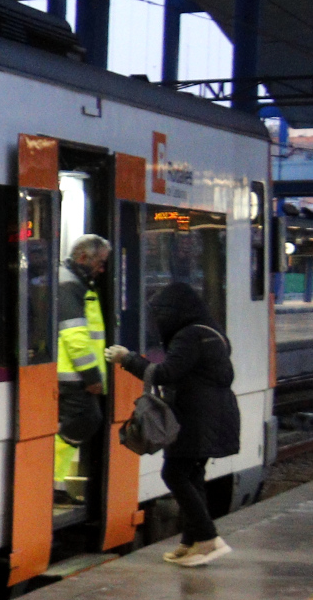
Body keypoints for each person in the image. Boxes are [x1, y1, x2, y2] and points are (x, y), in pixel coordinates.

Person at [109, 280, 241, 566]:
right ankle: (191, 542)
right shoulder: (211, 331)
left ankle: (208, 539)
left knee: (174, 474)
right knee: (193, 476)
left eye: (161, 314)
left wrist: (127, 359)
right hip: (214, 415)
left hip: (195, 417)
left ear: (175, 311)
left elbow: (165, 373)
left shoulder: (189, 336)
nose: (158, 321)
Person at [55, 234, 113, 502]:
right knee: (84, 421)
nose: (101, 269)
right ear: (82, 257)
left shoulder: (76, 282)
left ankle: (55, 484)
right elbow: (75, 336)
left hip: (73, 373)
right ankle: (51, 482)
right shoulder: (69, 284)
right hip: (73, 375)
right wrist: (91, 375)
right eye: (99, 263)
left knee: (81, 423)